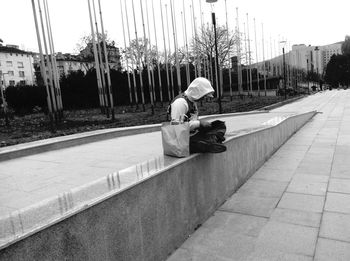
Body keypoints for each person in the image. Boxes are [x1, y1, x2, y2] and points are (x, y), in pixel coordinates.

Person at [168, 77, 226, 153]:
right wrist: (198, 123)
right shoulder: (180, 103)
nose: (204, 98)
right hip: (179, 139)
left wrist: (201, 124)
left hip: (191, 133)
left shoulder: (192, 101)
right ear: (197, 92)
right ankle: (207, 144)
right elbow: (176, 127)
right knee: (196, 143)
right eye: (204, 95)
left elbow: (192, 120)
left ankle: (210, 141)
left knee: (219, 125)